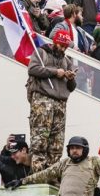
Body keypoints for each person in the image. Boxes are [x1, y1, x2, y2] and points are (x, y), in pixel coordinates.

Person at [27, 30, 77, 173]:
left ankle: (51, 176)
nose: (63, 49)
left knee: (56, 145)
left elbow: (72, 87)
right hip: (43, 100)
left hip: (60, 104)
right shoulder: (41, 53)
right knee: (39, 141)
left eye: (65, 47)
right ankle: (37, 175)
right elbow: (33, 69)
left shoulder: (67, 61)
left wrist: (70, 77)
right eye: (61, 46)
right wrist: (55, 72)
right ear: (55, 42)